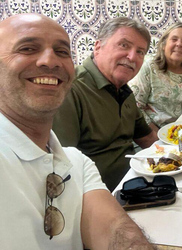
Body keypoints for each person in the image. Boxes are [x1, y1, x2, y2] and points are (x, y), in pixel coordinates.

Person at [0, 13, 153, 249]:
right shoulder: (76, 93)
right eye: (28, 48)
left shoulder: (74, 161)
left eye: (62, 52)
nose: (49, 61)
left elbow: (117, 234)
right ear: (98, 48)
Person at [53, 17, 158, 191]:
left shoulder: (123, 90)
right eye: (124, 45)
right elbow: (63, 169)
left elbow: (147, 138)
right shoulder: (70, 90)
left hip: (135, 182)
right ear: (98, 47)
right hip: (100, 197)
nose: (132, 56)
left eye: (140, 52)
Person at [129, 22, 182, 132]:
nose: (179, 44)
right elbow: (134, 107)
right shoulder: (148, 67)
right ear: (163, 45)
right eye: (174, 39)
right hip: (152, 133)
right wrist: (155, 136)